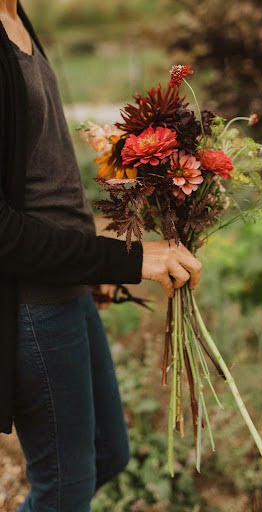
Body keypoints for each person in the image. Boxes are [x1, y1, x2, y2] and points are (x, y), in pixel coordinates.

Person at [0, 1, 202, 510]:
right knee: (64, 488)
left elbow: (39, 180)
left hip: (66, 279)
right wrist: (131, 260)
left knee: (107, 453)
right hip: (29, 300)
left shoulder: (16, 17)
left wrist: (92, 265)